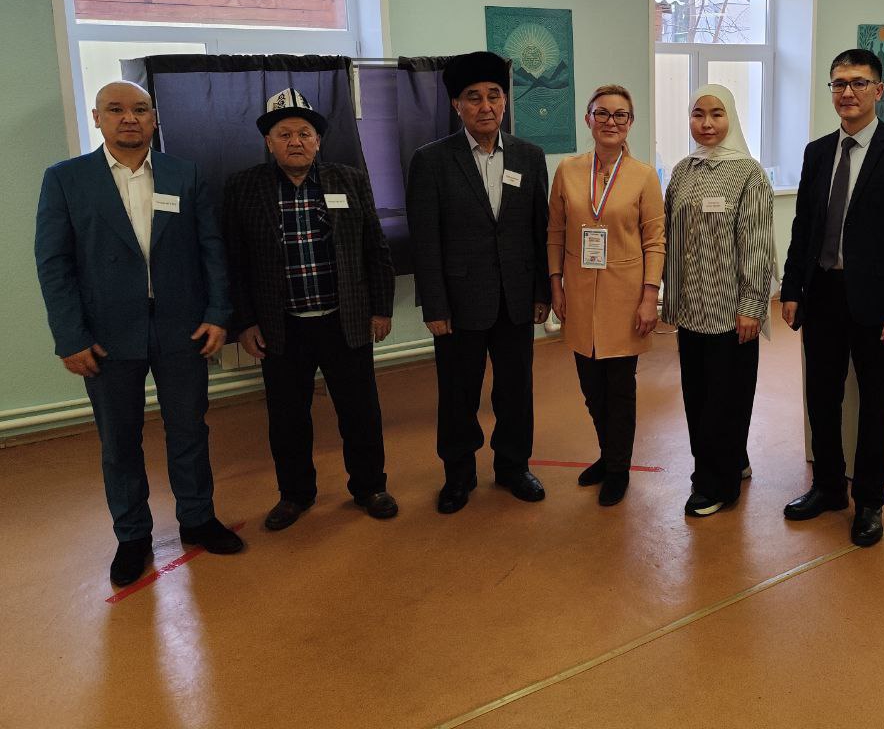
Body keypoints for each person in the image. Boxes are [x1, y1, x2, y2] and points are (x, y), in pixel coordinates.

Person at [34, 81, 243, 588]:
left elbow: (212, 250)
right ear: (97, 118)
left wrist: (219, 313)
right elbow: (53, 263)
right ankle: (132, 537)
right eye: (116, 109)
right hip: (106, 336)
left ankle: (197, 518)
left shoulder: (184, 174)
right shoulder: (66, 179)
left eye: (140, 109)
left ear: (154, 118)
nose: (129, 118)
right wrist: (70, 336)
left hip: (182, 328)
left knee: (189, 430)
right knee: (119, 441)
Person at [221, 89, 398, 532]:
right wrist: (244, 322)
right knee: (287, 418)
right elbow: (234, 262)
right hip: (282, 327)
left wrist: (381, 309)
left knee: (360, 412)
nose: (295, 141)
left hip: (344, 319)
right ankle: (295, 494)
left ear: (318, 140)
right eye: (284, 134)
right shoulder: (244, 187)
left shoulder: (349, 179)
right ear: (269, 142)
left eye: (304, 133)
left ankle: (370, 487)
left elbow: (375, 248)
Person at [779, 49, 884, 547]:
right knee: (821, 397)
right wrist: (792, 287)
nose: (847, 92)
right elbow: (804, 226)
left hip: (877, 303)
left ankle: (869, 500)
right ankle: (828, 486)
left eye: (859, 83)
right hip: (822, 293)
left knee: (876, 403)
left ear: (878, 90)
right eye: (839, 83)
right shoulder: (817, 152)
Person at [406, 51, 551, 514]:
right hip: (459, 302)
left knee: (516, 391)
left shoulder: (529, 156)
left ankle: (513, 466)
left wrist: (541, 292)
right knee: (458, 394)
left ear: (505, 100)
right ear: (457, 105)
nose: (485, 106)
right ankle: (458, 475)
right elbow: (425, 240)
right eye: (474, 97)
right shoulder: (431, 161)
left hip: (516, 298)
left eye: (494, 95)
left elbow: (539, 229)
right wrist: (434, 306)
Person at [548, 86, 664, 506]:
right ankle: (607, 453)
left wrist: (649, 296)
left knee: (619, 389)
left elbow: (655, 241)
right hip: (579, 295)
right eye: (602, 113)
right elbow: (555, 231)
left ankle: (618, 468)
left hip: (625, 297)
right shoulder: (567, 170)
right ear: (588, 119)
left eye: (620, 115)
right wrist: (555, 283)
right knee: (591, 388)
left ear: (630, 122)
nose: (610, 122)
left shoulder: (644, 175)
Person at [663, 85, 774, 517]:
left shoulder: (749, 174)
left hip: (731, 314)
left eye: (716, 114)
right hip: (692, 310)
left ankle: (716, 485)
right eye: (698, 114)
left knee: (726, 401)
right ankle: (733, 461)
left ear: (732, 119)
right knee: (698, 396)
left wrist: (751, 305)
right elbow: (670, 237)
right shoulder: (683, 171)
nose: (706, 124)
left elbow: (758, 246)